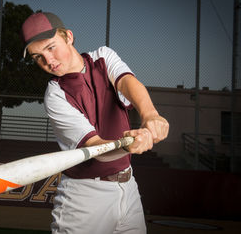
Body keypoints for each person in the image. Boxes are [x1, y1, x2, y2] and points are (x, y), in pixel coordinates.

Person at [21, 12, 169, 234]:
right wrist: (127, 144)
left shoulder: (102, 57)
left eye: (51, 47)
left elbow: (127, 81)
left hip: (128, 187)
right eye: (37, 57)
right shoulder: (55, 95)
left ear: (69, 36)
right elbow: (95, 148)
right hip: (85, 198)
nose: (48, 61)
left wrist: (150, 115)